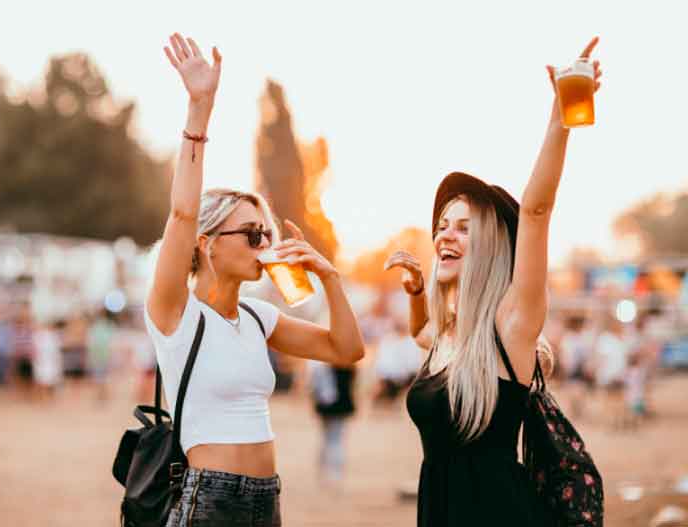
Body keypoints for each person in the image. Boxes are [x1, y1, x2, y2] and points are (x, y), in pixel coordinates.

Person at [148, 33, 365, 527]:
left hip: (267, 498)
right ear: (206, 243)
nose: (264, 245)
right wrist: (199, 110)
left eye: (266, 233)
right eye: (250, 233)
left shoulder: (258, 316)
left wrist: (329, 278)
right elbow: (182, 212)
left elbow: (347, 350)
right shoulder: (174, 312)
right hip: (208, 499)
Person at [386, 38, 603, 527]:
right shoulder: (446, 337)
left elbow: (536, 210)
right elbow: (420, 334)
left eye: (464, 227)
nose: (445, 234)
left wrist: (560, 119)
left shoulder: (510, 328)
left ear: (491, 249)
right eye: (442, 224)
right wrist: (419, 295)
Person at [309, 360, 357, 486]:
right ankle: (334, 473)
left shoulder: (323, 367)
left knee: (328, 439)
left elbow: (315, 388)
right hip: (340, 406)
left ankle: (326, 471)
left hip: (328, 407)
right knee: (336, 440)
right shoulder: (348, 365)